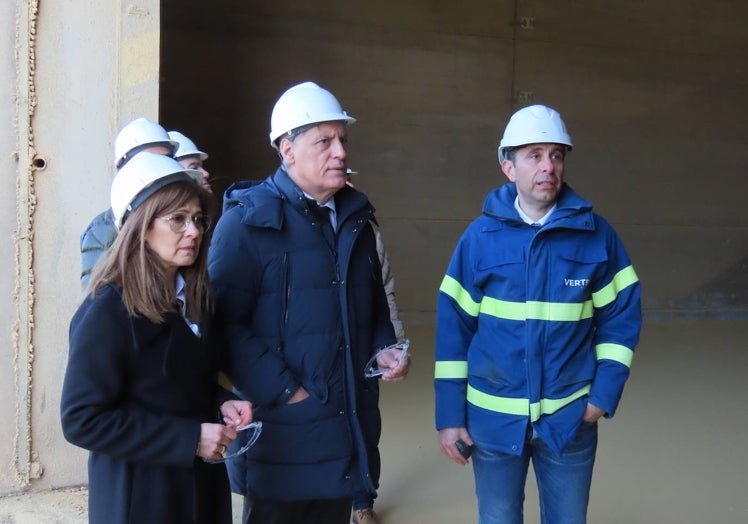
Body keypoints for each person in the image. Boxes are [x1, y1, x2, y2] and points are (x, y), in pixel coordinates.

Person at [208, 81, 409, 524]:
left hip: (346, 424)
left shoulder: (355, 219)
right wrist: (288, 392)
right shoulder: (245, 225)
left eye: (342, 140)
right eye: (324, 141)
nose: (340, 152)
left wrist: (384, 346)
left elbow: (371, 301)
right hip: (284, 435)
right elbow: (224, 326)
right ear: (287, 149)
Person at [434, 104, 642, 523]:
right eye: (534, 155)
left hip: (569, 421)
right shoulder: (479, 238)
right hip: (493, 421)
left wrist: (600, 399)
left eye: (556, 155)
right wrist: (450, 416)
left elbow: (622, 319)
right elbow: (453, 330)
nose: (548, 166)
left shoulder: (596, 236)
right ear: (508, 167)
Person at [61, 152, 253, 524]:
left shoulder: (196, 298)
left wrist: (222, 402)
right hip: (141, 498)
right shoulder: (108, 311)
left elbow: (178, 383)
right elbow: (81, 419)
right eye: (178, 219)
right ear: (141, 225)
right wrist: (188, 439)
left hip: (200, 487)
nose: (194, 231)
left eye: (198, 219)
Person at [344, 170, 406, 522]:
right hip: (325, 352)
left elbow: (384, 288)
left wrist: (392, 344)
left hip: (364, 347)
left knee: (366, 425)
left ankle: (362, 501)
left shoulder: (367, 228)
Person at [79, 117, 178, 285]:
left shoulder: (191, 221)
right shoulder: (102, 230)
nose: (157, 167)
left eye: (166, 159)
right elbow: (96, 298)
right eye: (145, 161)